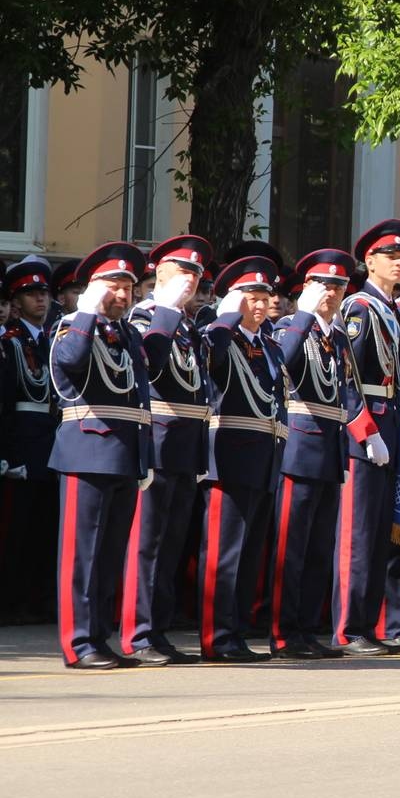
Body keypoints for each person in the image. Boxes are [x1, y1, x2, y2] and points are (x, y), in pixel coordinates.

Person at [50, 243, 165, 668]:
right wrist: (86, 312)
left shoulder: (128, 333)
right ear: (94, 289)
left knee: (110, 554)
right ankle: (77, 643)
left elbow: (146, 386)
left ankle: (99, 637)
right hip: (87, 450)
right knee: (82, 556)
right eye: (114, 286)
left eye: (128, 288)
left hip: (125, 453)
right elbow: (72, 363)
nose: (123, 295)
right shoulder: (70, 327)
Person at [268, 250, 368, 659]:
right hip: (298, 446)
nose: (330, 293)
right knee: (290, 548)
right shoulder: (289, 327)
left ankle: (308, 628)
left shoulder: (338, 337)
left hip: (329, 447)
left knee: (317, 548)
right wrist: (305, 317)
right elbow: (280, 367)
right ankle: (282, 631)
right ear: (306, 288)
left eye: (338, 286)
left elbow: (346, 390)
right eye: (322, 285)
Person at [118, 236, 211, 665]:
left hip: (185, 444)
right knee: (148, 542)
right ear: (159, 272)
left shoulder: (188, 325)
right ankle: (138, 633)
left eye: (195, 274)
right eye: (181, 271)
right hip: (156, 440)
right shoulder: (144, 315)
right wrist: (169, 311)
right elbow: (149, 364)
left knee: (172, 542)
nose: (190, 281)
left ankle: (158, 629)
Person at [195, 255, 286, 662]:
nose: (262, 303)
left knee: (250, 552)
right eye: (252, 296)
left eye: (266, 295)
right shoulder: (219, 336)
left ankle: (238, 631)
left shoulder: (267, 345)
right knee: (224, 551)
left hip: (264, 455)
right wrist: (223, 319)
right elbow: (209, 363)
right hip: (228, 454)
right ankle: (217, 636)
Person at [332, 219, 400, 657]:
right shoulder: (360, 308)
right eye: (391, 257)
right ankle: (348, 627)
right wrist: (364, 430)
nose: (399, 264)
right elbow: (347, 378)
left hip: (391, 427)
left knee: (378, 534)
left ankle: (368, 622)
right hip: (368, 431)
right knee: (357, 535)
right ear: (370, 262)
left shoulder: (391, 311)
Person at [1, 258, 61, 623]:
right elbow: (7, 403)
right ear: (16, 301)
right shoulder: (10, 342)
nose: (41, 300)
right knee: (16, 531)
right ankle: (11, 602)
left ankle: (38, 600)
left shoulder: (54, 338)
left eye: (44, 293)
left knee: (44, 529)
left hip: (51, 445)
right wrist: (6, 454)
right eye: (31, 294)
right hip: (21, 445)